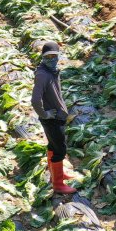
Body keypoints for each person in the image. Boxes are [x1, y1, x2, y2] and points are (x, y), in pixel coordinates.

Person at [31, 41, 76, 195]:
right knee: (60, 149)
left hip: (56, 116)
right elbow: (35, 100)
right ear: (42, 57)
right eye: (47, 56)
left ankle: (57, 175)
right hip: (52, 119)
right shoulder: (43, 74)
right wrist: (45, 114)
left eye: (54, 56)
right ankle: (58, 185)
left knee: (53, 145)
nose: (51, 59)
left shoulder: (52, 71)